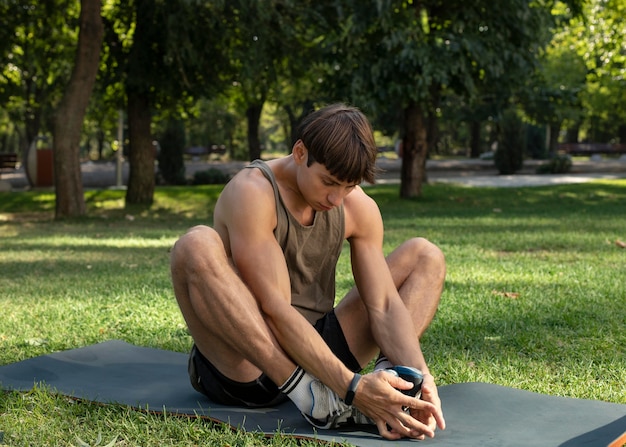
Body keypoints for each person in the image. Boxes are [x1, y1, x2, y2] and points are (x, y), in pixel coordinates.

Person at [170, 103, 446, 440]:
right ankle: (321, 400)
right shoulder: (253, 192)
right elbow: (276, 310)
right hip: (250, 363)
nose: (336, 197)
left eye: (348, 186)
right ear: (300, 152)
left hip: (317, 350)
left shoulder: (356, 205)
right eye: (328, 182)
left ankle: (394, 388)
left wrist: (421, 374)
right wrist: (351, 387)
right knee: (195, 244)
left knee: (425, 255)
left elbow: (384, 305)